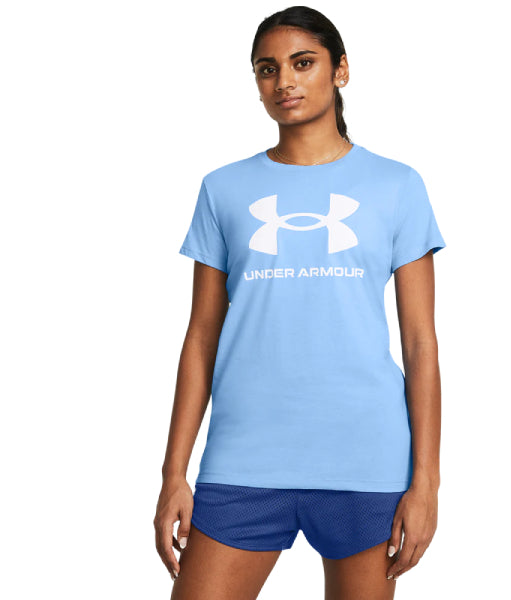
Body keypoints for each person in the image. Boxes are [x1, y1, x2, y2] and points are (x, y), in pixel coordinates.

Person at [155, 6, 446, 600]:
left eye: (302, 63)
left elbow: (420, 344)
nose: (284, 81)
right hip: (244, 459)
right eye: (267, 69)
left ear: (341, 70)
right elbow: (201, 337)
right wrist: (173, 474)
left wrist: (426, 484)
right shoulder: (223, 188)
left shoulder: (397, 185)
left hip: (365, 460)